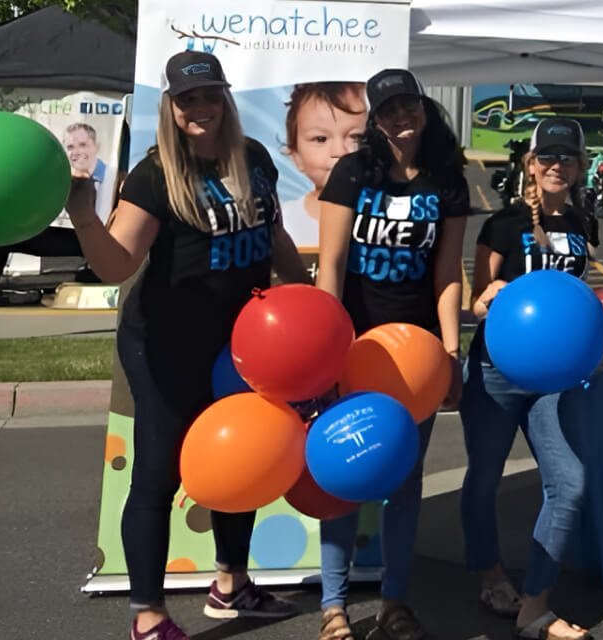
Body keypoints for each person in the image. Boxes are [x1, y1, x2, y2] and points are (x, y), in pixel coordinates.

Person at [63, 50, 309, 640]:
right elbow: (117, 265)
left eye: (209, 95)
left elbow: (273, 238)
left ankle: (231, 584)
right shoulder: (155, 177)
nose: (200, 107)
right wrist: (84, 218)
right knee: (159, 474)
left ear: (224, 99)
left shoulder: (253, 159)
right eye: (187, 99)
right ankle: (147, 615)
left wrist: (309, 301)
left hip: (241, 344)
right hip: (164, 346)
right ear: (172, 109)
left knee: (242, 457)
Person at [314, 68, 470, 640]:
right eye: (389, 111)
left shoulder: (447, 181)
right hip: (355, 348)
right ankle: (333, 608)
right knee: (346, 475)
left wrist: (451, 352)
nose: (401, 120)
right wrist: (328, 349)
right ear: (375, 121)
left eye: (410, 107)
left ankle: (394, 602)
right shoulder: (354, 172)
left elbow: (448, 273)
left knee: (405, 481)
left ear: (425, 110)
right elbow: (329, 265)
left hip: (417, 355)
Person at [462, 118, 603, 640]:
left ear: (579, 166)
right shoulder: (500, 224)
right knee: (483, 479)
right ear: (530, 163)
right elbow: (478, 300)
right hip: (497, 372)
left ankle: (536, 606)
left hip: (558, 377)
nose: (556, 166)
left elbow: (575, 300)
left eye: (567, 157)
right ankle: (491, 574)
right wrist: (486, 298)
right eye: (547, 157)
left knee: (570, 483)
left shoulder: (584, 224)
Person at [281, 82, 368, 248]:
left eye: (355, 137)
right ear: (296, 156)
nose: (339, 151)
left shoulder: (384, 220)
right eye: (320, 139)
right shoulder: (284, 220)